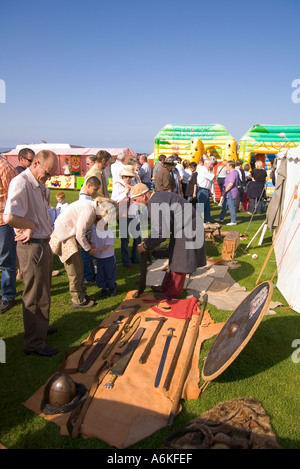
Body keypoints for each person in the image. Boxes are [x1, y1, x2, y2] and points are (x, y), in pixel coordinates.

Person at [4, 150, 59, 356]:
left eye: (52, 174)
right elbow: (9, 217)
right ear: (35, 163)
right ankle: (34, 343)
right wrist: (28, 225)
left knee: (44, 289)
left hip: (42, 242)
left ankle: (41, 329)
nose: (49, 177)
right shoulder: (21, 183)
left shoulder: (38, 184)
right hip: (32, 245)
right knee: (35, 294)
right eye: (47, 173)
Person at [130, 183, 206, 300]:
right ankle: (166, 286)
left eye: (135, 200)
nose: (134, 203)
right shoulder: (156, 199)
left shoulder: (155, 203)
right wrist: (150, 238)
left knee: (180, 262)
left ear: (144, 196)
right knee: (175, 258)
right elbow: (161, 226)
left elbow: (162, 234)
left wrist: (144, 246)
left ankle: (172, 294)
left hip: (188, 227)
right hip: (183, 226)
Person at [50, 198, 105, 308]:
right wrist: (89, 249)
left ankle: (83, 295)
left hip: (68, 236)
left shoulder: (90, 208)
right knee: (74, 271)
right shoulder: (89, 211)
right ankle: (77, 300)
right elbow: (80, 234)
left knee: (79, 269)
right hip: (65, 239)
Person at [111, 165, 140, 268]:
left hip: (134, 213)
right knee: (125, 239)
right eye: (126, 176)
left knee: (137, 236)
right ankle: (126, 261)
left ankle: (136, 257)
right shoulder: (118, 185)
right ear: (122, 176)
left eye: (130, 176)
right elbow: (114, 200)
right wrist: (125, 193)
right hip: (123, 215)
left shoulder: (134, 183)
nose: (128, 179)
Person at [0, 156, 18, 314]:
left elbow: (13, 198)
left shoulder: (4, 168)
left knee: (6, 259)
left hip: (3, 222)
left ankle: (7, 295)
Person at [79, 176, 101, 282]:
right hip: (85, 231)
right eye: (95, 189)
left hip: (88, 230)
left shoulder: (86, 197)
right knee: (86, 254)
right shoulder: (84, 199)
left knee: (88, 255)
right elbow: (86, 218)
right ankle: (87, 276)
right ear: (88, 186)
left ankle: (90, 273)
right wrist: (89, 231)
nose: (96, 192)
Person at [91, 220, 117, 298]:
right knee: (101, 274)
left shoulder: (109, 233)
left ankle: (112, 288)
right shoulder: (95, 232)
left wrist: (95, 250)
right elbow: (93, 242)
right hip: (99, 258)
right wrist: (92, 248)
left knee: (110, 274)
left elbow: (106, 247)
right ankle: (103, 288)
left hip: (108, 257)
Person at [215, 160, 239, 226]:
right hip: (228, 191)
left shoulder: (233, 173)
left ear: (231, 166)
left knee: (231, 206)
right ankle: (221, 218)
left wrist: (224, 191)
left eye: (227, 166)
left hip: (231, 191)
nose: (225, 167)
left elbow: (231, 184)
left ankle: (233, 221)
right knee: (224, 205)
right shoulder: (231, 172)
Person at [196, 158, 215, 223]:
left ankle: (207, 220)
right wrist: (213, 172)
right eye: (211, 164)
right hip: (202, 190)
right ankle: (199, 220)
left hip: (206, 190)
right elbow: (212, 177)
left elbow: (209, 182)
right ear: (206, 164)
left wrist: (209, 191)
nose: (212, 166)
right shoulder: (203, 170)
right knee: (201, 207)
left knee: (207, 207)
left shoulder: (207, 170)